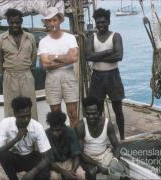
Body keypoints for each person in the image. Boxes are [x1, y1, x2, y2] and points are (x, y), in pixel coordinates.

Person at [86, 8, 125, 139]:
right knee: (98, 110)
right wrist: (107, 52)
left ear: (108, 21)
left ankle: (123, 137)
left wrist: (97, 56)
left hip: (113, 76)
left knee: (118, 109)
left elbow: (119, 56)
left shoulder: (116, 36)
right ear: (95, 23)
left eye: (103, 22)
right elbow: (88, 56)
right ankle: (99, 137)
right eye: (98, 22)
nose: (100, 25)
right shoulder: (91, 37)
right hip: (97, 76)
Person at [38, 7, 79, 127]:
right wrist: (65, 57)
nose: (52, 23)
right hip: (52, 79)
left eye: (54, 20)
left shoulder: (70, 38)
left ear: (60, 20)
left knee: (73, 114)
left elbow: (74, 58)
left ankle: (74, 141)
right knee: (56, 115)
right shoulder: (43, 42)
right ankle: (60, 143)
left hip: (69, 76)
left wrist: (54, 57)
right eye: (49, 21)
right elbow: (45, 64)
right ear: (46, 23)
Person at [0, 96, 51, 180]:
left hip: (30, 157)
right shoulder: (5, 124)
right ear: (15, 114)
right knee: (4, 155)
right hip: (15, 159)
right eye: (22, 117)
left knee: (44, 175)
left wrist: (33, 172)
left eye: (28, 115)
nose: (26, 120)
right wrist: (16, 138)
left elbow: (47, 158)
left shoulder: (37, 127)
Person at [0, 8, 38, 120]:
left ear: (21, 21)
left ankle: (32, 135)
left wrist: (29, 70)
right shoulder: (0, 39)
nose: (15, 25)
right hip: (10, 76)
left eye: (17, 22)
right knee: (10, 108)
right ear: (8, 22)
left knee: (31, 107)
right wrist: (2, 75)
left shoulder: (30, 37)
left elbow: (33, 58)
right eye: (12, 22)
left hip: (26, 75)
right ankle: (13, 134)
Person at [75, 96, 129, 180]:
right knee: (91, 172)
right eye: (88, 114)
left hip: (105, 155)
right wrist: (98, 165)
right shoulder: (80, 126)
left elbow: (117, 146)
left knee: (124, 169)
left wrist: (114, 160)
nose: (91, 117)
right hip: (88, 159)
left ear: (99, 112)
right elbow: (80, 154)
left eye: (94, 113)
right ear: (84, 112)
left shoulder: (107, 124)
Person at [45, 111, 85, 180]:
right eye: (53, 130)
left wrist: (72, 171)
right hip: (54, 164)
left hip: (69, 161)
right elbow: (49, 162)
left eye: (58, 130)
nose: (55, 133)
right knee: (54, 177)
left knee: (80, 174)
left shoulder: (71, 132)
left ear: (64, 126)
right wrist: (64, 172)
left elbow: (76, 156)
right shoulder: (45, 134)